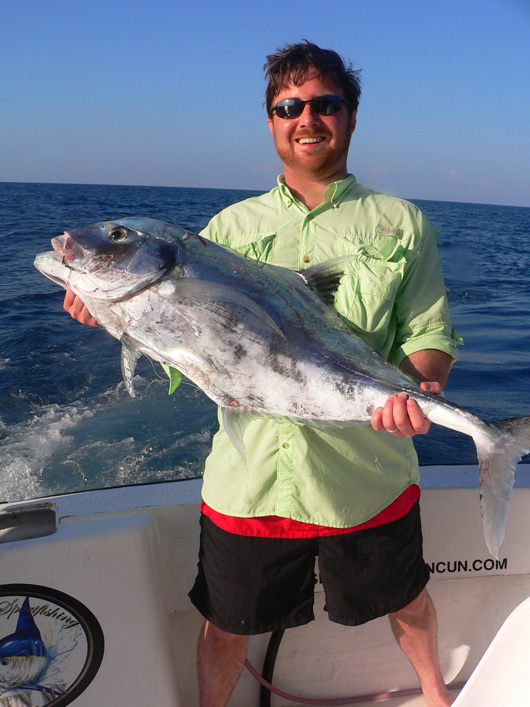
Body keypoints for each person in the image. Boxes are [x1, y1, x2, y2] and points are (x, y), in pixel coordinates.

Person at [64, 41, 459, 707]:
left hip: (364, 474)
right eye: (290, 106)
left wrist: (415, 388)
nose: (308, 118)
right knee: (225, 626)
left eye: (325, 104)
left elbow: (428, 336)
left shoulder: (401, 223)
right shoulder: (225, 231)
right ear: (272, 122)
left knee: (408, 601)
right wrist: (117, 316)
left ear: (351, 117)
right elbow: (185, 353)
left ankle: (435, 693)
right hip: (250, 480)